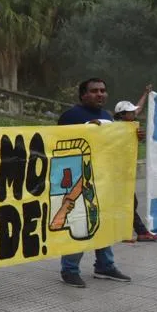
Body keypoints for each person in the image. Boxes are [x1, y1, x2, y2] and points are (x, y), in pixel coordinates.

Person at [57, 78, 133, 287]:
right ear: (83, 95)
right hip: (78, 178)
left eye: (103, 91)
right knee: (80, 223)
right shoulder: (71, 116)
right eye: (94, 91)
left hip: (102, 178)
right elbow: (60, 146)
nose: (100, 94)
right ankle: (69, 269)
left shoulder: (107, 116)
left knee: (103, 222)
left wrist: (132, 137)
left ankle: (104, 266)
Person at [115, 85, 157, 243]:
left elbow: (139, 108)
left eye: (134, 111)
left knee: (130, 201)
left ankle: (127, 231)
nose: (134, 113)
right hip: (115, 172)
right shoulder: (113, 128)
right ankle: (138, 232)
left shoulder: (131, 126)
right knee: (129, 201)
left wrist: (145, 93)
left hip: (125, 172)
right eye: (131, 112)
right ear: (122, 114)